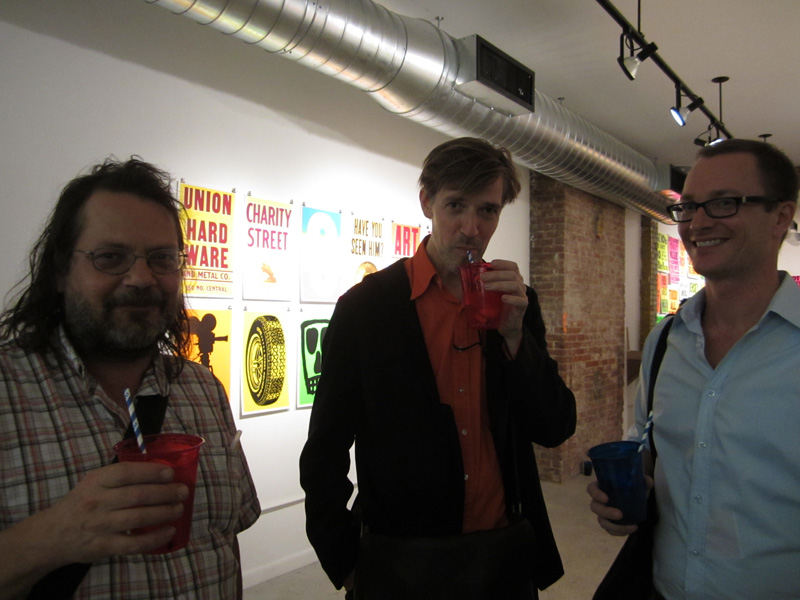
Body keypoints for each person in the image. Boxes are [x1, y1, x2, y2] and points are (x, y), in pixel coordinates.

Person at [300, 137, 576, 599]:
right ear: (427, 201)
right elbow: (324, 451)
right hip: (402, 563)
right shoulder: (366, 309)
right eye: (456, 205)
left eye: (487, 211)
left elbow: (554, 426)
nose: (471, 228)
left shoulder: (514, 303)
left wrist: (515, 337)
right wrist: (344, 560)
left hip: (502, 557)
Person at [0, 158, 260, 599]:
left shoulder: (202, 389)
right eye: (110, 258)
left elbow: (223, 541)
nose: (141, 278)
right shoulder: (8, 390)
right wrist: (53, 535)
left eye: (162, 258)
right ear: (61, 271)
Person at [588, 139, 800, 599]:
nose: (698, 223)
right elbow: (647, 442)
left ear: (780, 217)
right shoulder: (666, 340)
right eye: (688, 208)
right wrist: (626, 489)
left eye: (724, 203)